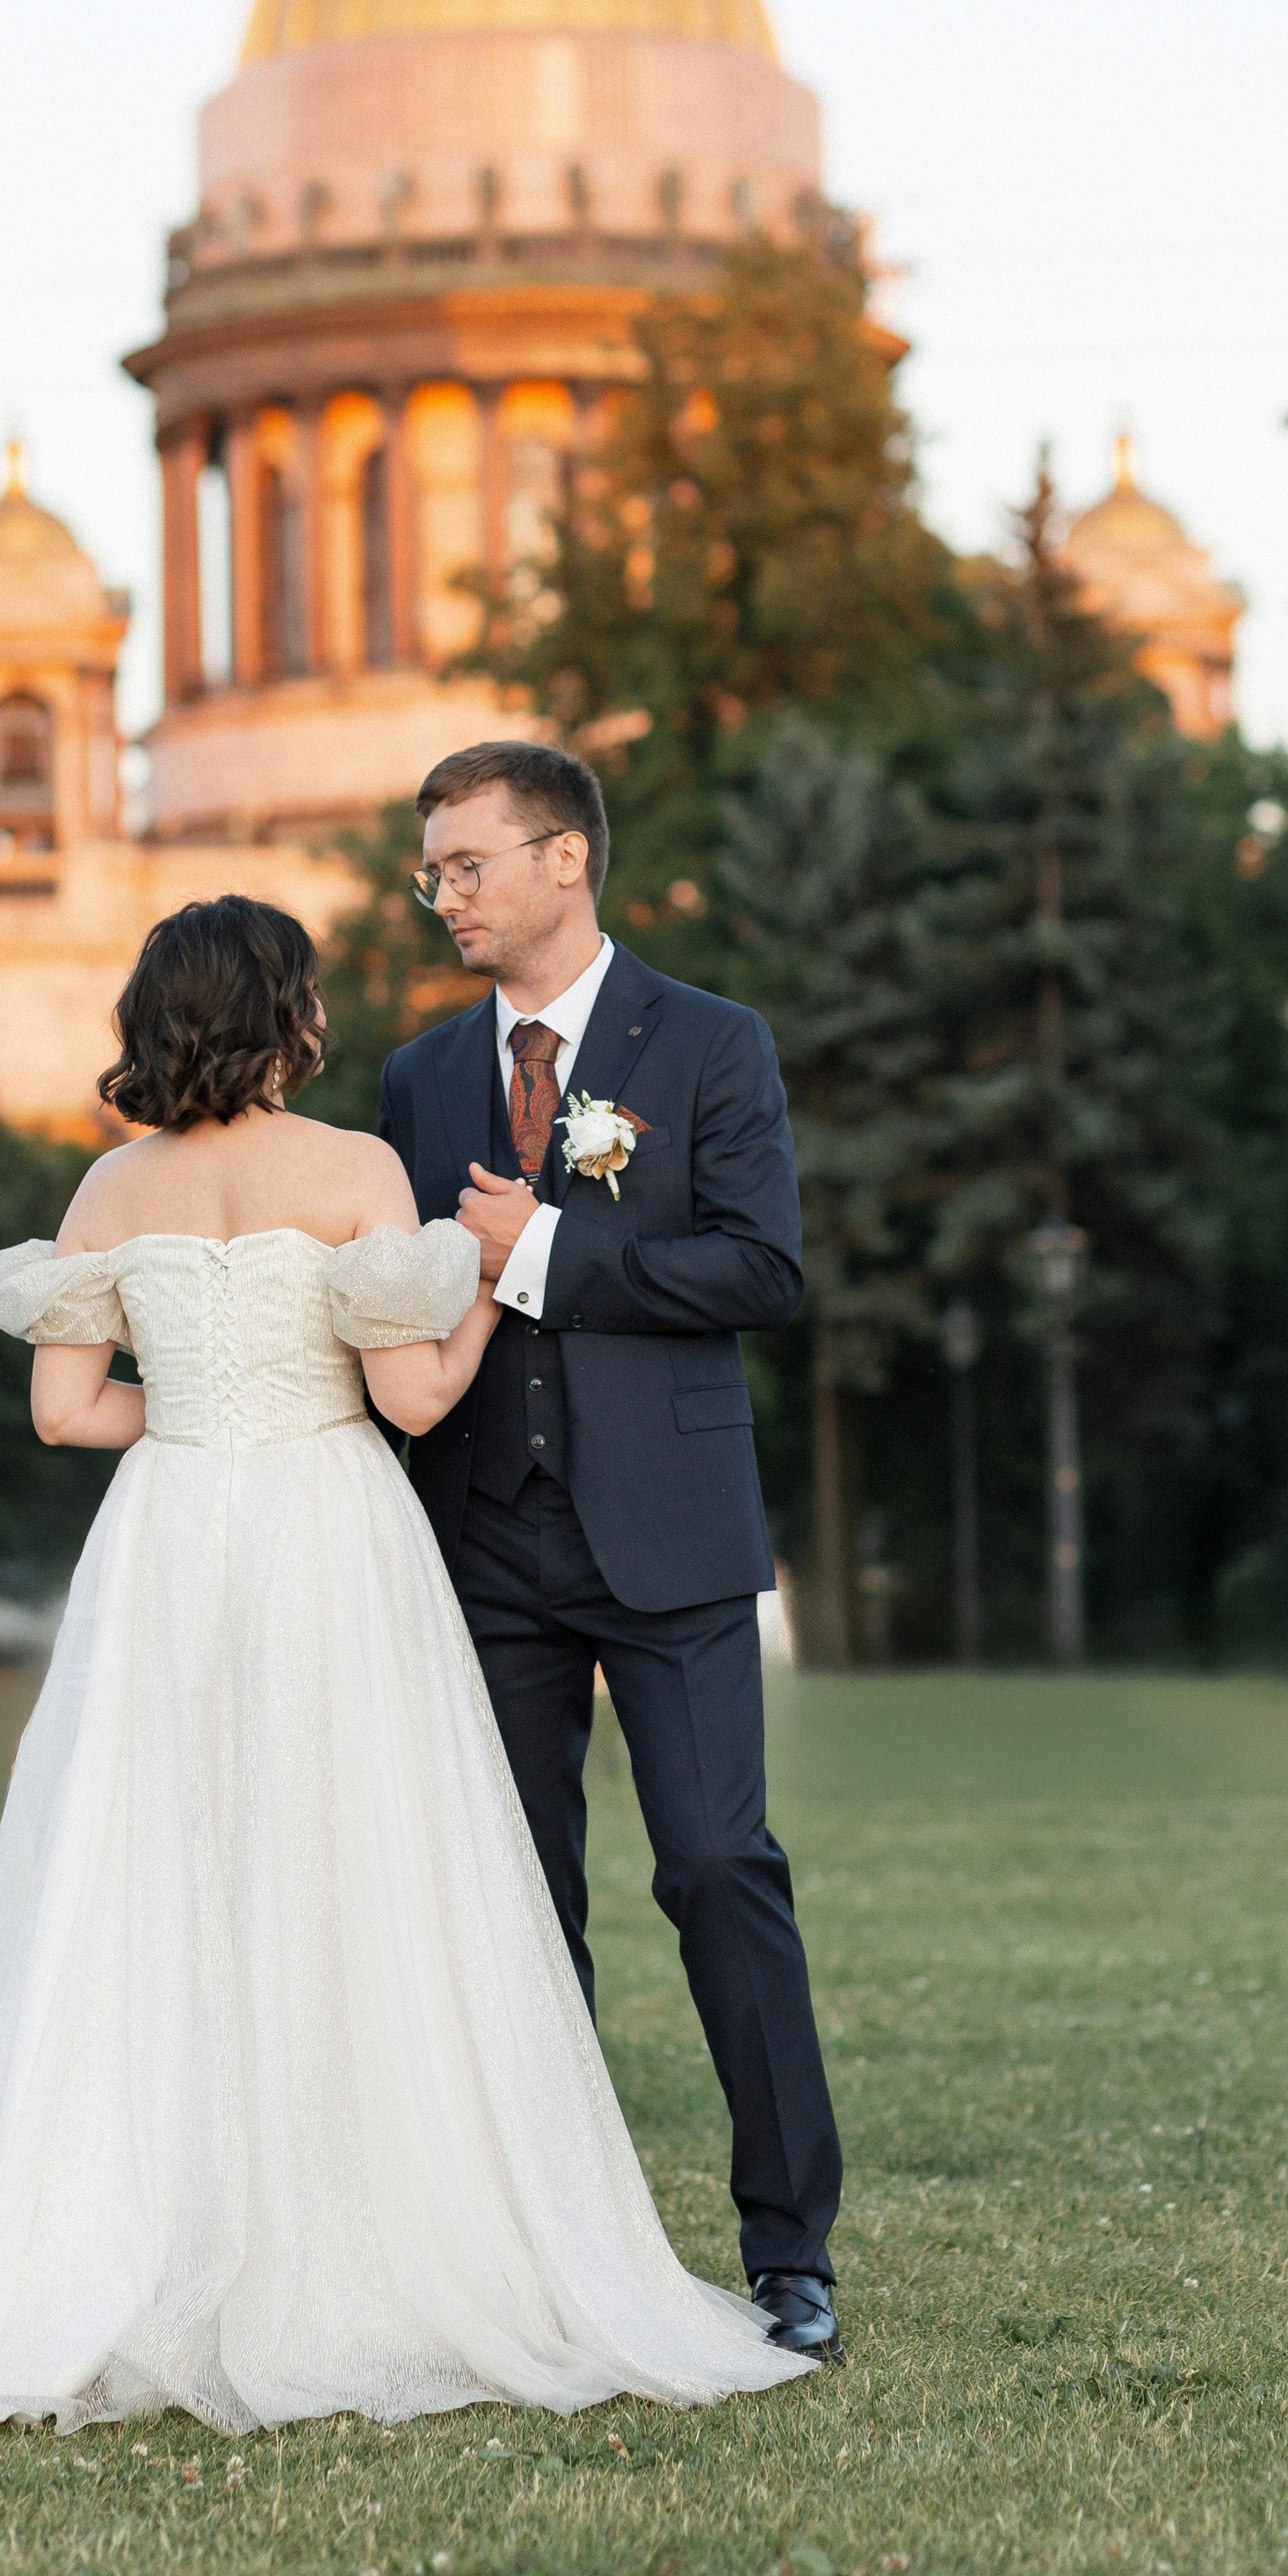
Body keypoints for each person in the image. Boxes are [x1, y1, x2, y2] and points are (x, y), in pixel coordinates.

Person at [0, 895, 813, 2437]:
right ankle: (389, 2233)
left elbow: (66, 1412)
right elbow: (408, 1403)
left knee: (153, 1874)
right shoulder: (351, 1168)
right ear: (288, 1018)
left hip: (171, 1543)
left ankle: (132, 2244)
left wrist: (198, 1417)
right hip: (330, 1536)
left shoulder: (107, 1187)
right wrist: (460, 1307)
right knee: (353, 1866)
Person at [377, 743, 843, 2364]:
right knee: (517, 1903)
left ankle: (792, 2253)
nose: (445, 894)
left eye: (467, 864)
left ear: (564, 860)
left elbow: (759, 1269)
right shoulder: (418, 1079)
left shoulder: (712, 1043)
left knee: (719, 1870)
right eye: (433, 870)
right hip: (482, 1538)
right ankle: (553, 2257)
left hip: (671, 1535)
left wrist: (553, 1248)